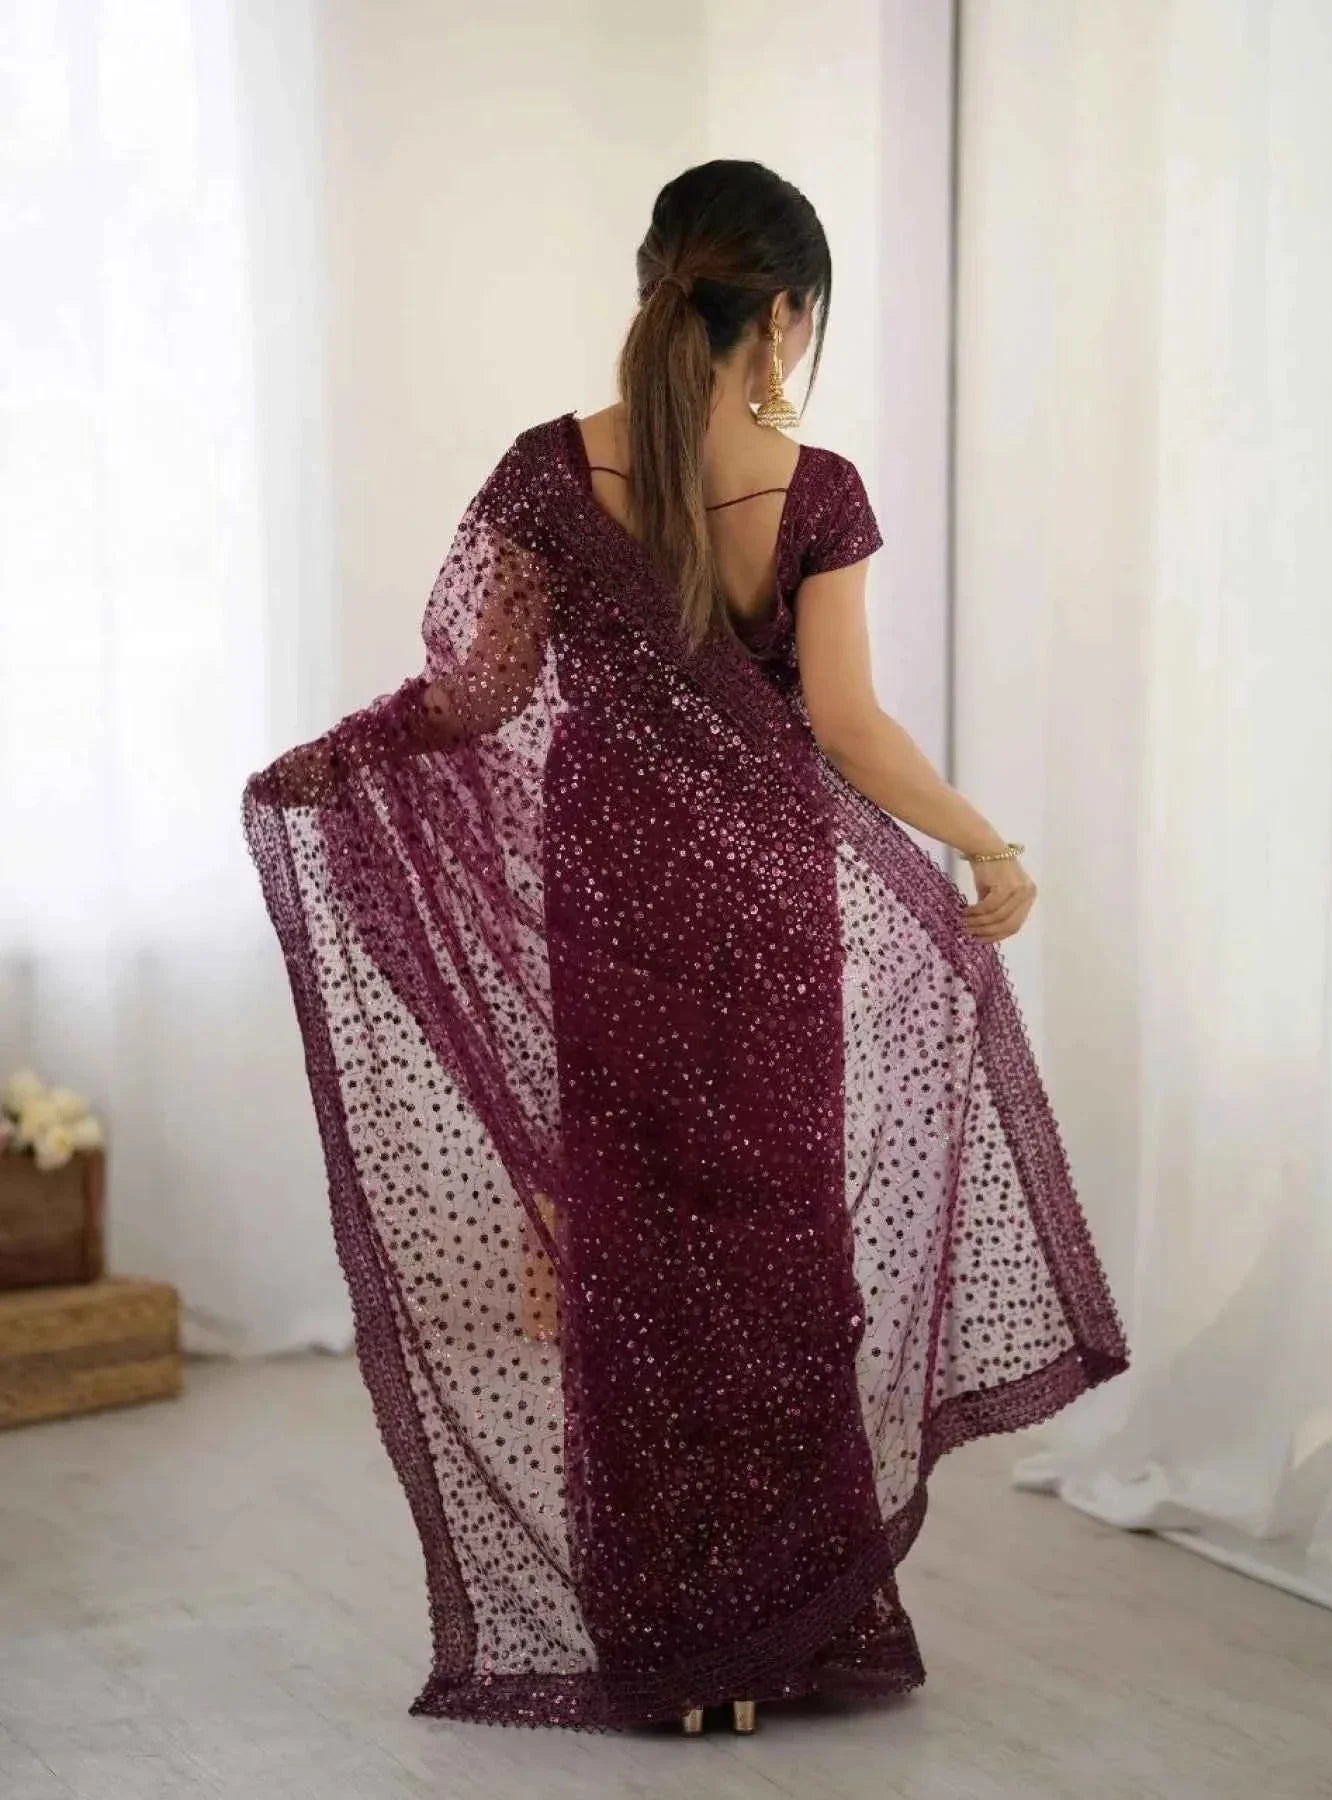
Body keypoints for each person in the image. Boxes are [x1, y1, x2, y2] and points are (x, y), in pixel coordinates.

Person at [242, 159, 1128, 1736]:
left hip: (611, 900)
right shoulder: (815, 487)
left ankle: (672, 1646)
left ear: (654, 279)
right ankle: (773, 1635)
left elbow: (470, 700)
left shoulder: (539, 472)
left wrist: (330, 766)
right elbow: (845, 726)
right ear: (785, 314)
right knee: (776, 1255)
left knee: (636, 1265)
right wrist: (986, 841)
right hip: (760, 909)